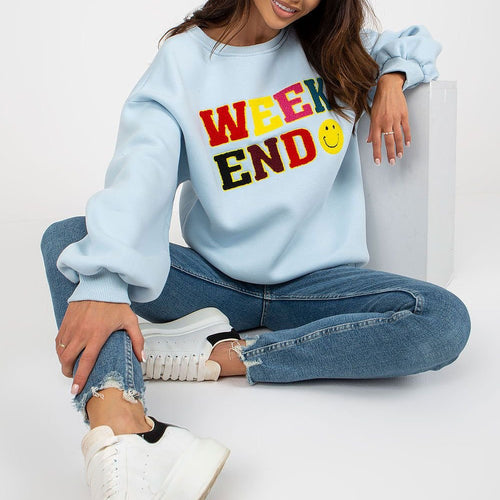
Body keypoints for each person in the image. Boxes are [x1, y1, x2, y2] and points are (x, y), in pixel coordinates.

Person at [40, 0, 471, 498]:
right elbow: (142, 174)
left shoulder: (333, 49)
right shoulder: (183, 62)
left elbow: (415, 42)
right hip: (214, 283)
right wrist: (104, 283)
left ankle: (222, 356)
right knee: (68, 241)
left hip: (318, 286)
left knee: (442, 318)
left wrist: (393, 77)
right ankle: (124, 428)